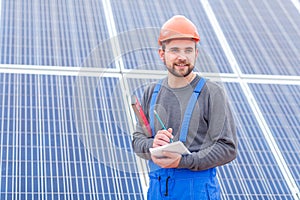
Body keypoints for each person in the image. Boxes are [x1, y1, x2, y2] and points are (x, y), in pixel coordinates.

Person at [132, 15, 238, 200]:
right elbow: (138, 140)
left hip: (196, 191)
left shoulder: (211, 93)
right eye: (174, 50)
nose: (182, 57)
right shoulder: (151, 92)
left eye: (188, 50)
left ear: (196, 53)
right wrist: (153, 145)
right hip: (158, 190)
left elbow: (227, 148)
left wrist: (183, 161)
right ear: (162, 54)